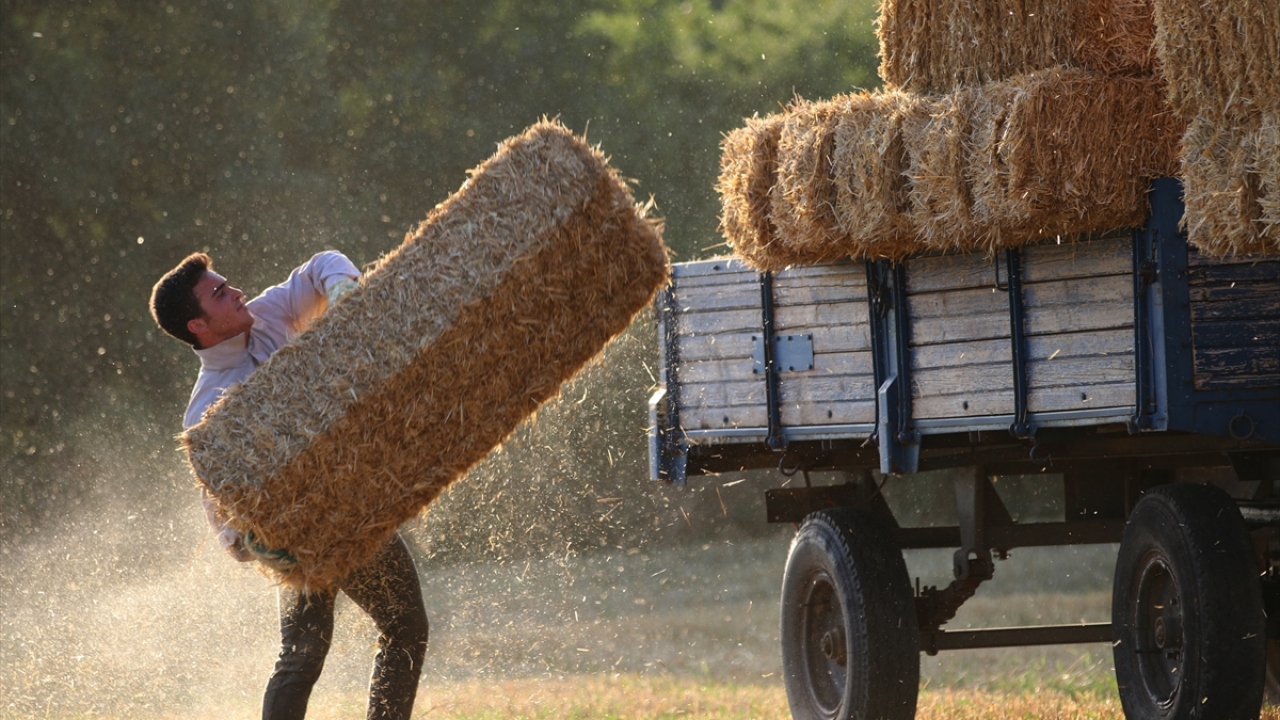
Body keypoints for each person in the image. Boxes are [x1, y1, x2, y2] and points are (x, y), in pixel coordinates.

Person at [149, 250, 429, 720]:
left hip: (351, 507)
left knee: (382, 634)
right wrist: (258, 545)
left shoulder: (268, 312)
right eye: (220, 294)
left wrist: (343, 290)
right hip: (294, 544)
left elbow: (322, 264)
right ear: (198, 325)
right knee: (312, 655)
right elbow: (225, 517)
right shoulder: (207, 410)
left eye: (228, 284)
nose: (236, 293)